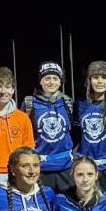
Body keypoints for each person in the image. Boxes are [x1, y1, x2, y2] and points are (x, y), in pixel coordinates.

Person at [23, 61, 75, 193]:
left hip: (66, 167)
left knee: (67, 203)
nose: (51, 82)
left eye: (55, 78)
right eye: (47, 78)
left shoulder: (67, 102)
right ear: (41, 81)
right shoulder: (30, 103)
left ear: (60, 81)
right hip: (41, 168)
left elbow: (74, 131)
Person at [0, 66, 35, 190]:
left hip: (16, 177)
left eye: (8, 87)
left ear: (13, 90)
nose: (3, 91)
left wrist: (21, 176)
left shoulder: (22, 118)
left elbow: (28, 151)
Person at [73, 61, 106, 190]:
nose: (100, 81)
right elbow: (75, 136)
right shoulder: (79, 104)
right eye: (95, 77)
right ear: (89, 80)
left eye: (104, 77)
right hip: (85, 168)